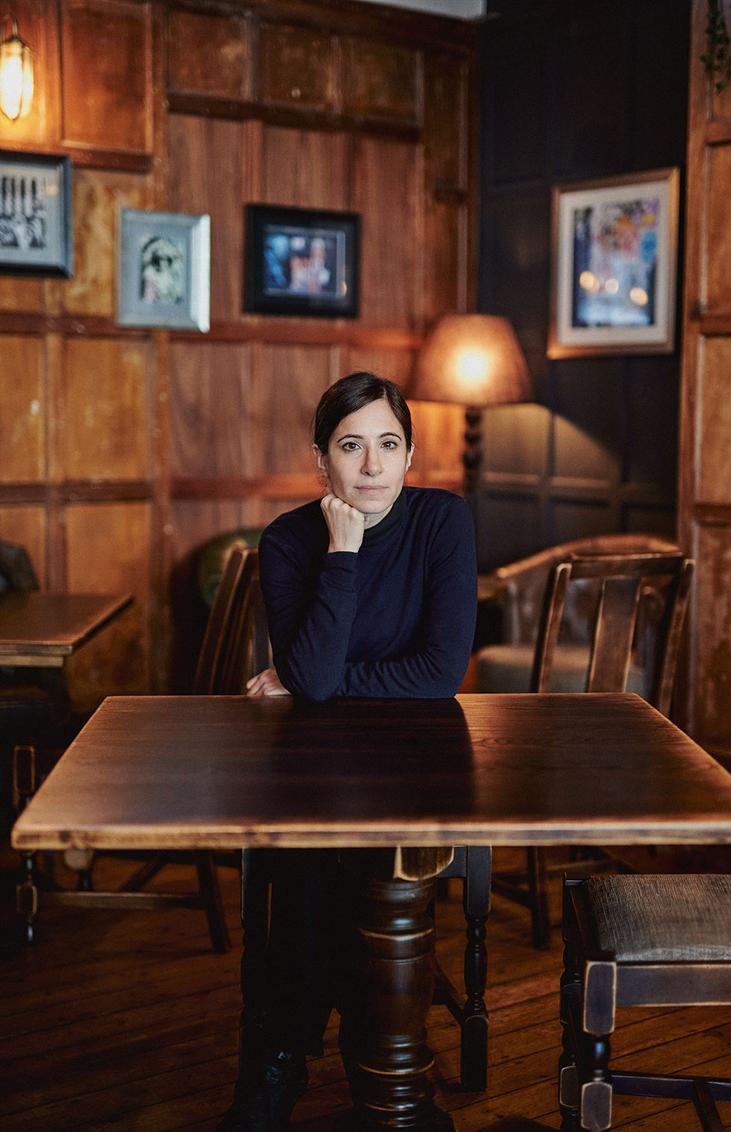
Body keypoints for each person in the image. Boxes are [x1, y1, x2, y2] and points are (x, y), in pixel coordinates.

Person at [216, 371, 477, 1132]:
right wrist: (343, 550)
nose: (371, 467)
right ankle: (338, 1065)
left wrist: (307, 681)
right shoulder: (290, 541)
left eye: (388, 446)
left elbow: (436, 675)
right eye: (352, 446)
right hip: (311, 762)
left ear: (410, 454)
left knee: (328, 873)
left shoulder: (443, 522)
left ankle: (288, 1062)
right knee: (296, 861)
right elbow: (318, 678)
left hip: (414, 761)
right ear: (320, 460)